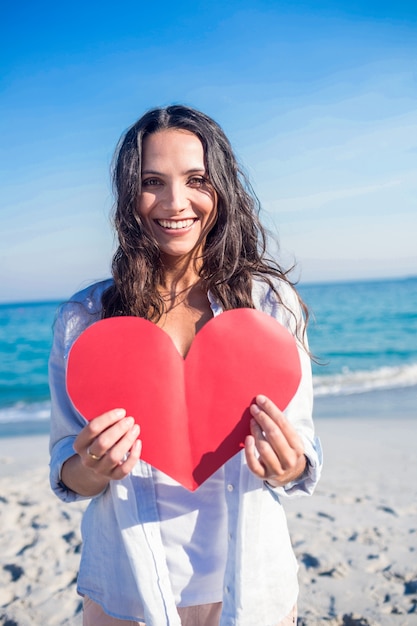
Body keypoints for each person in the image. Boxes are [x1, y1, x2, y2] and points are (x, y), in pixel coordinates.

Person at [49, 105, 322, 626]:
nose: (176, 203)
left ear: (221, 187)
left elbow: (300, 455)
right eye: (153, 181)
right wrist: (92, 467)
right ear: (129, 194)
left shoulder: (269, 307)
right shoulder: (83, 320)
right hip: (127, 586)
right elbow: (68, 469)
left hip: (249, 587)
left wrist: (287, 464)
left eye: (196, 179)